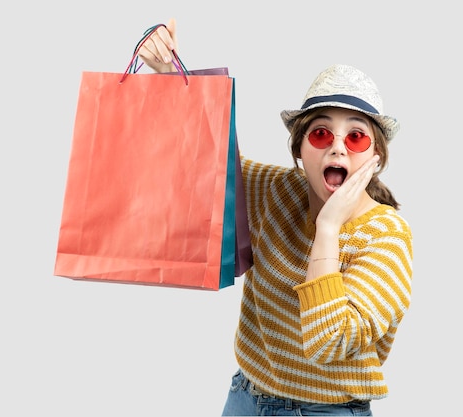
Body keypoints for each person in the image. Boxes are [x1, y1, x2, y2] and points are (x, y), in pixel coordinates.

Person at [137, 19, 413, 416]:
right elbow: (209, 162)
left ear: (375, 157)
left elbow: (327, 342)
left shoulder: (387, 237)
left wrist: (328, 228)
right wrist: (168, 75)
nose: (338, 147)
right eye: (320, 134)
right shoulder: (279, 191)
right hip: (246, 397)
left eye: (355, 137)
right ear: (300, 149)